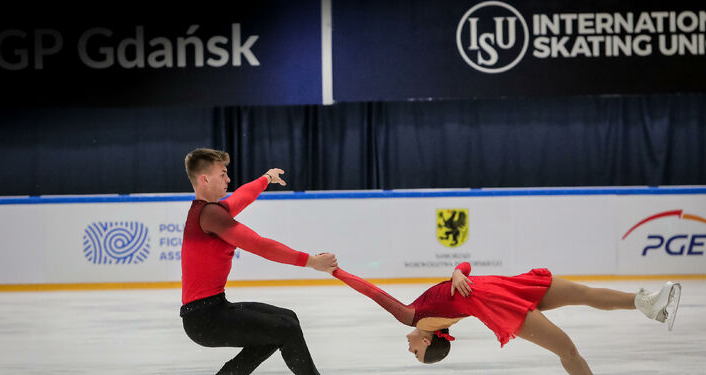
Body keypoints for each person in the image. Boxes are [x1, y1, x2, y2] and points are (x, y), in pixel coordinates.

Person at [332, 261, 681, 374]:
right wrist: (336, 271)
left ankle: (646, 303)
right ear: (427, 342)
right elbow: (372, 292)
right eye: (417, 353)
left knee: (583, 294)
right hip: (497, 303)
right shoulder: (413, 318)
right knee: (567, 351)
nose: (409, 350)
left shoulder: (418, 318)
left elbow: (465, 269)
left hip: (497, 287)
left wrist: (456, 271)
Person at [180, 148, 337, 375]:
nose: (228, 179)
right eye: (223, 174)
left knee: (286, 320)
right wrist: (312, 261)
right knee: (286, 328)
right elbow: (259, 245)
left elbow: (241, 197)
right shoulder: (211, 215)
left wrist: (266, 178)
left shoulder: (209, 211)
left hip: (211, 310)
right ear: (205, 179)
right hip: (205, 318)